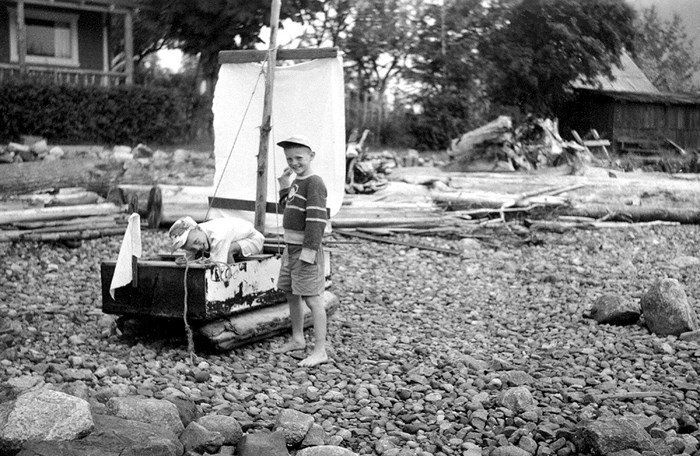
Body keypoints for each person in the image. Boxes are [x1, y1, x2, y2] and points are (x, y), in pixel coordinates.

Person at [273, 134, 330, 367]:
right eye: (289, 159)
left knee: (312, 299)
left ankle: (320, 350)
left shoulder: (314, 182)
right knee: (290, 292)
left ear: (311, 156)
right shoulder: (297, 180)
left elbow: (317, 220)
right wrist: (284, 187)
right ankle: (298, 339)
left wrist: (308, 251)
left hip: (306, 250)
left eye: (299, 158)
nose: (294, 163)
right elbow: (288, 208)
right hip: (291, 248)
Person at [168, 216, 264, 264]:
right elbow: (190, 256)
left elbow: (218, 264)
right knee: (197, 254)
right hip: (230, 239)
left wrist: (202, 262)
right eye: (191, 248)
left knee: (228, 250)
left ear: (198, 228)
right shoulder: (195, 235)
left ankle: (234, 283)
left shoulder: (219, 235)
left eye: (196, 242)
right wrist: (186, 262)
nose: (197, 247)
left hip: (252, 238)